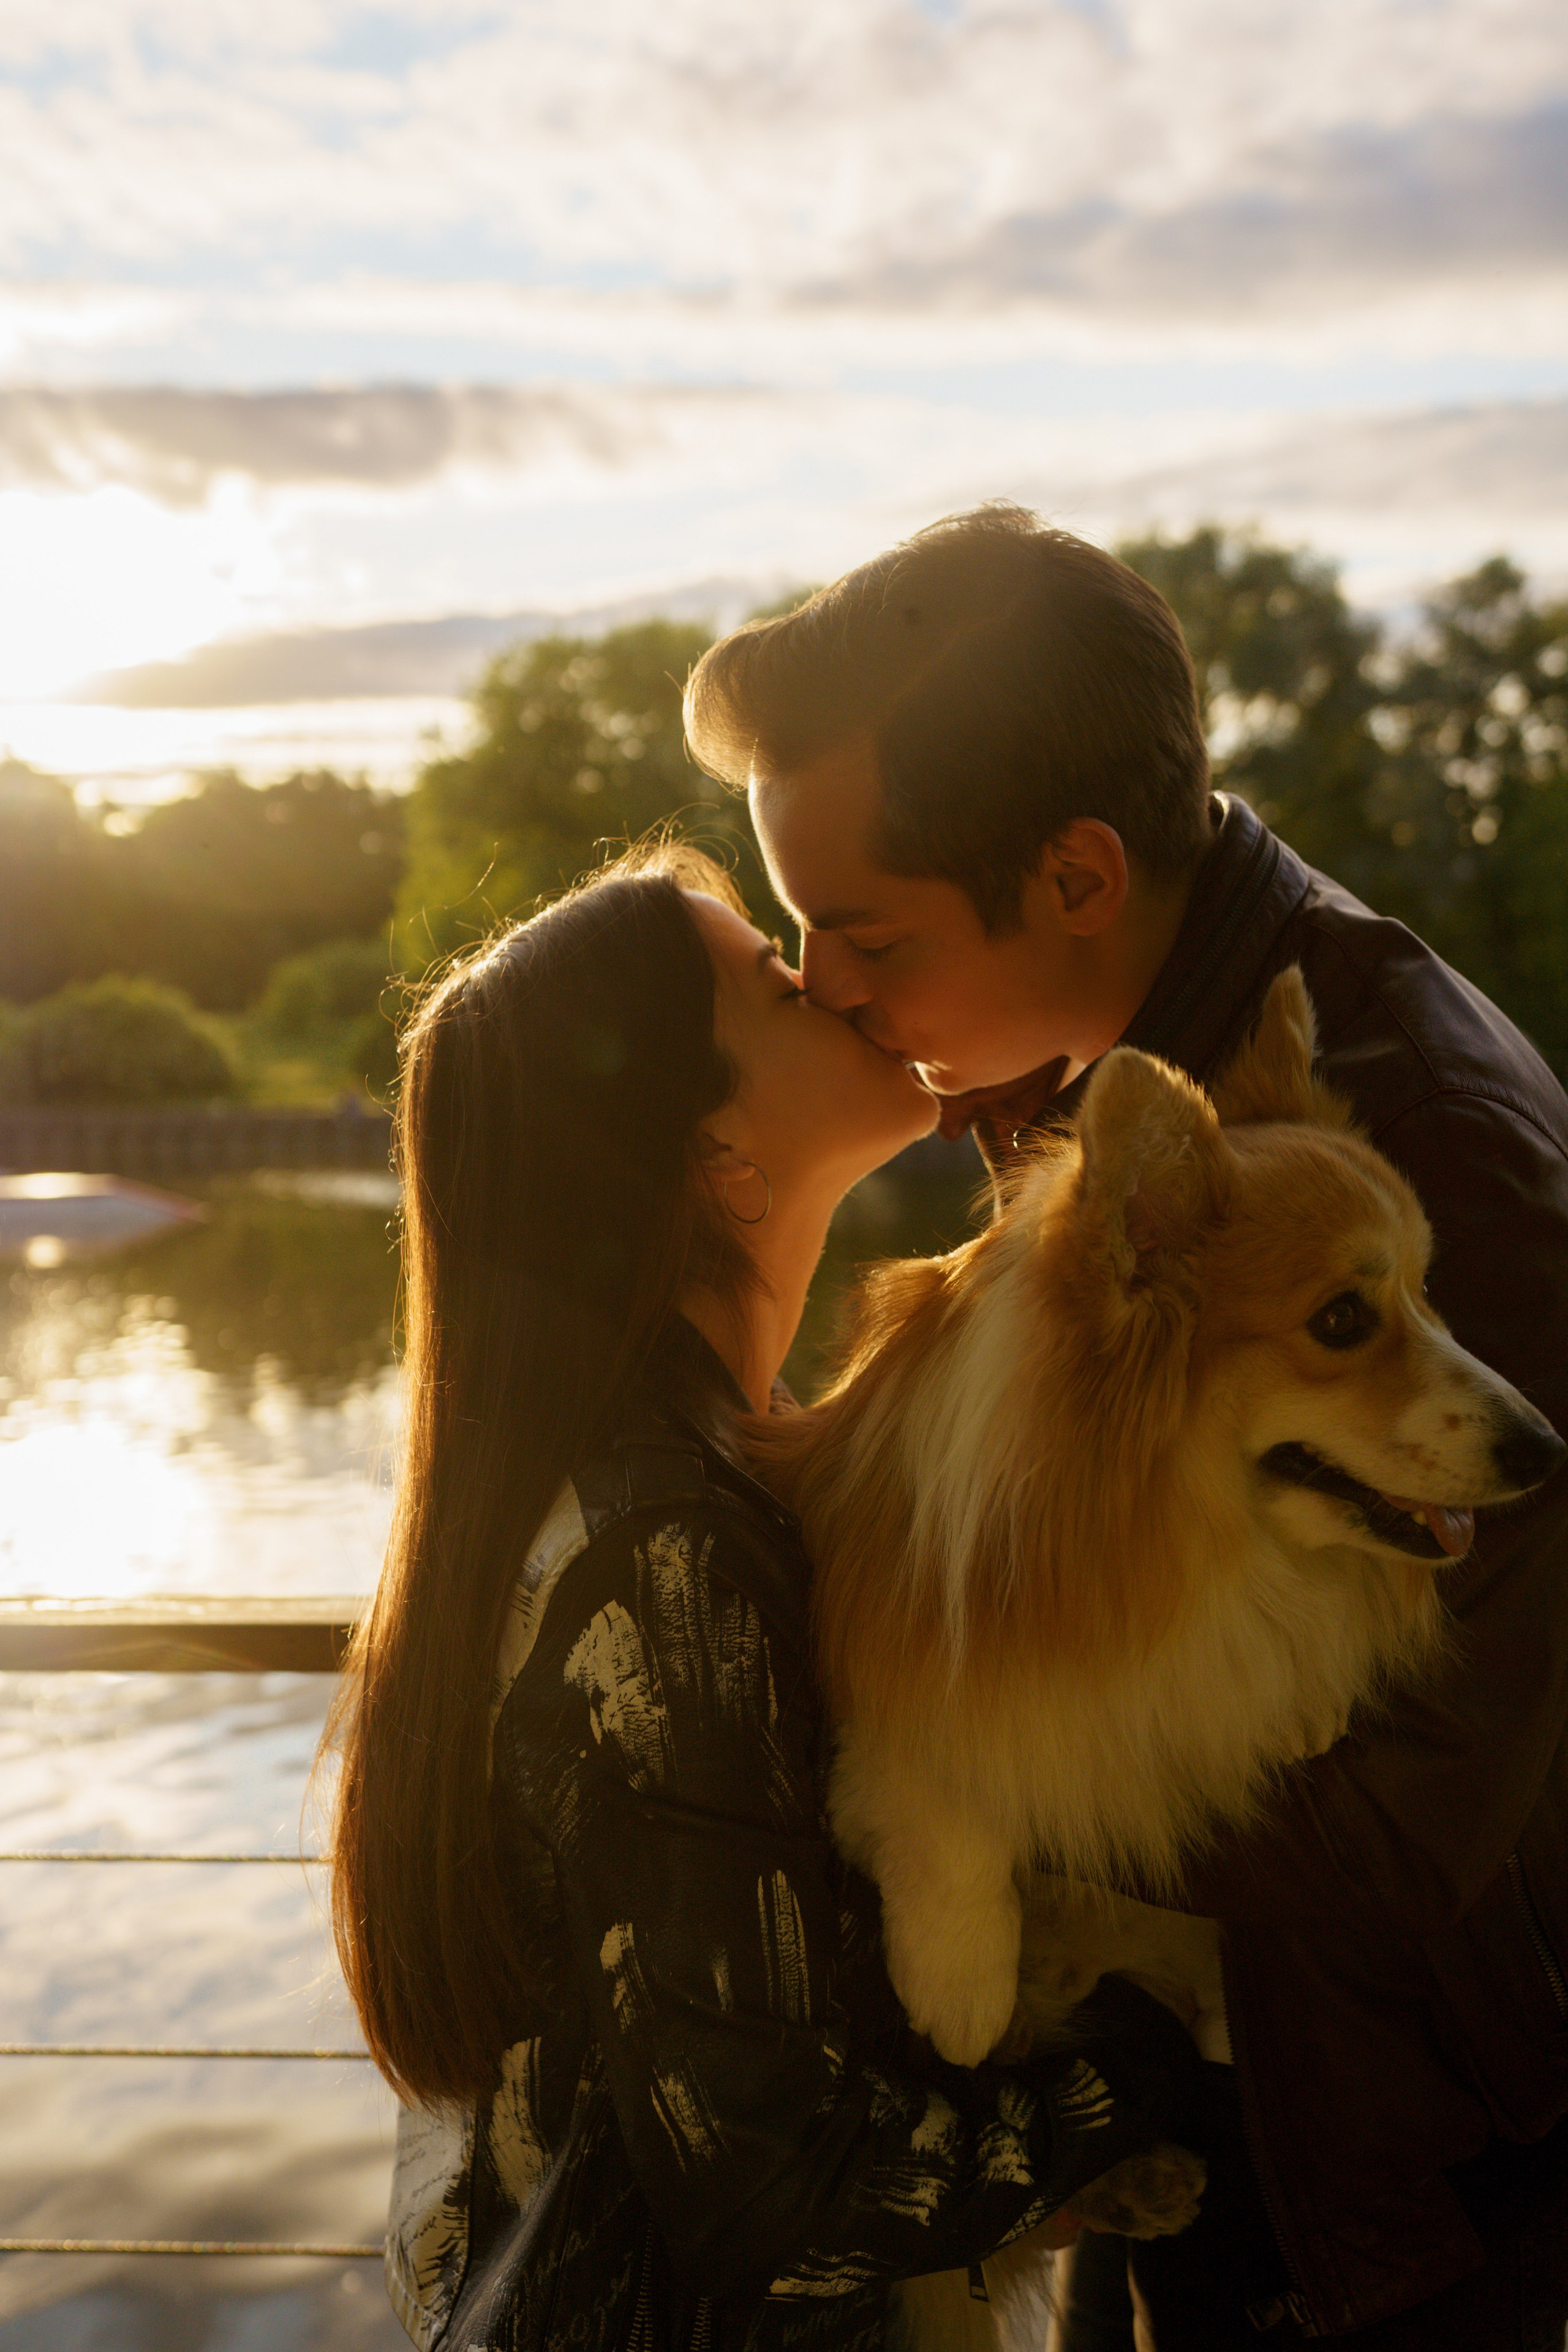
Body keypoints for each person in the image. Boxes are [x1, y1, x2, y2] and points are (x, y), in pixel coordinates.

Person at [684, 504, 1568, 2349]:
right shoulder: (1122, 1054)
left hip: (1395, 2179)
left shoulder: (1417, 1143)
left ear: (1076, 875)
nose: (821, 983)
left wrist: (947, 1777)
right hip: (1215, 2107)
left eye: (859, 931)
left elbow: (1421, 1815)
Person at [325, 840, 1203, 2352]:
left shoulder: (682, 1468)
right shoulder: (660, 1550)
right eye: (776, 983)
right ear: (712, 1149)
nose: (830, 982)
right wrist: (1158, 2052)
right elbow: (778, 2200)